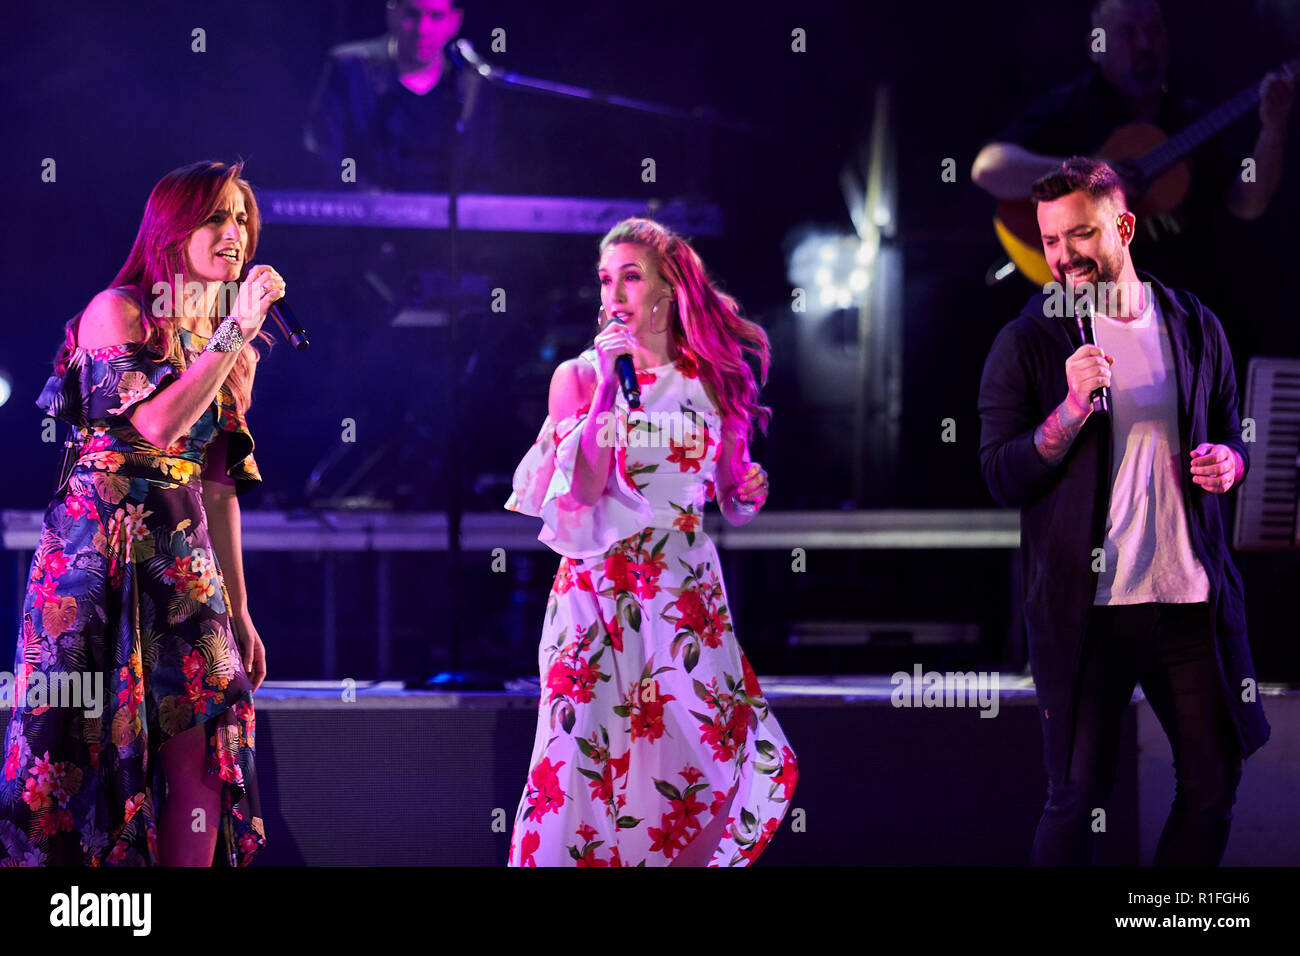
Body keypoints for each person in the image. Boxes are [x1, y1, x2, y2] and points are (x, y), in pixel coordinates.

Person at [977, 156, 1270, 866]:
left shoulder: (1194, 326)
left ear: (1125, 226)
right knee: (1076, 798)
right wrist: (1071, 411)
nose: (1063, 255)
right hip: (1089, 611)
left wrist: (1230, 463)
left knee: (1212, 784)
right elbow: (1000, 473)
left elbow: (1233, 434)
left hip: (1187, 601)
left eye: (1079, 234)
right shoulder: (1031, 340)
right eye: (1050, 241)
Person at [0, 160, 285, 866]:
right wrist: (229, 340)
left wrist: (240, 609)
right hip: (98, 551)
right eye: (217, 217)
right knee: (72, 747)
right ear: (173, 228)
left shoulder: (225, 343)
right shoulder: (118, 309)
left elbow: (217, 485)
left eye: (242, 219)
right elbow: (155, 428)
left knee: (203, 735)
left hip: (183, 558)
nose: (234, 234)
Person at [504, 218, 798, 866]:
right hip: (597, 594)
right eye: (606, 279)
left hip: (683, 590)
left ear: (669, 288)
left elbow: (731, 499)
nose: (614, 292)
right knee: (586, 770)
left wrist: (749, 488)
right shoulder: (578, 378)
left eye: (630, 276)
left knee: (714, 757)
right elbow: (581, 490)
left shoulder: (713, 380)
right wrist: (612, 386)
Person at [971, 0, 1292, 290]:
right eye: (1128, 32)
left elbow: (1247, 203)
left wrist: (1273, 132)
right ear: (1095, 45)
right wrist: (1087, 174)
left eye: (1154, 31)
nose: (1145, 44)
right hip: (1083, 310)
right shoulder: (1068, 109)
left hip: (1177, 306)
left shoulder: (1192, 118)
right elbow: (989, 169)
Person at [304, 0, 499, 191]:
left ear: (455, 22)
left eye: (436, 16)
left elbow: (482, 172)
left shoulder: (470, 83)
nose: (422, 29)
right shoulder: (351, 69)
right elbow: (325, 151)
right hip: (365, 216)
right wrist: (367, 201)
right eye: (412, 14)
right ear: (392, 13)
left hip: (449, 220)